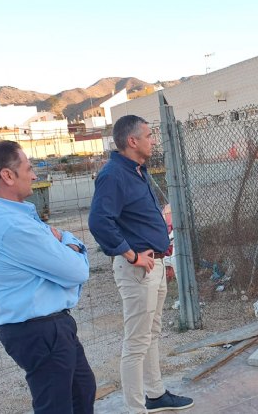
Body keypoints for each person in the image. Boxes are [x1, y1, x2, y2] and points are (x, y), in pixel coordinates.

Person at [0, 141, 96, 413]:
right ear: (7, 175)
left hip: (42, 328)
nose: (34, 175)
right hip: (40, 331)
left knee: (82, 391)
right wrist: (71, 243)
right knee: (58, 406)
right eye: (28, 168)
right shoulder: (10, 224)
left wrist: (60, 241)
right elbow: (77, 271)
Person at [88, 115, 193, 413]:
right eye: (149, 135)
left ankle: (156, 394)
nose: (153, 141)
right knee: (136, 343)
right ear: (132, 141)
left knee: (151, 334)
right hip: (137, 270)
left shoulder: (137, 170)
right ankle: (135, 408)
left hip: (154, 265)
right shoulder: (113, 175)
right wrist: (132, 255)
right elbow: (99, 222)